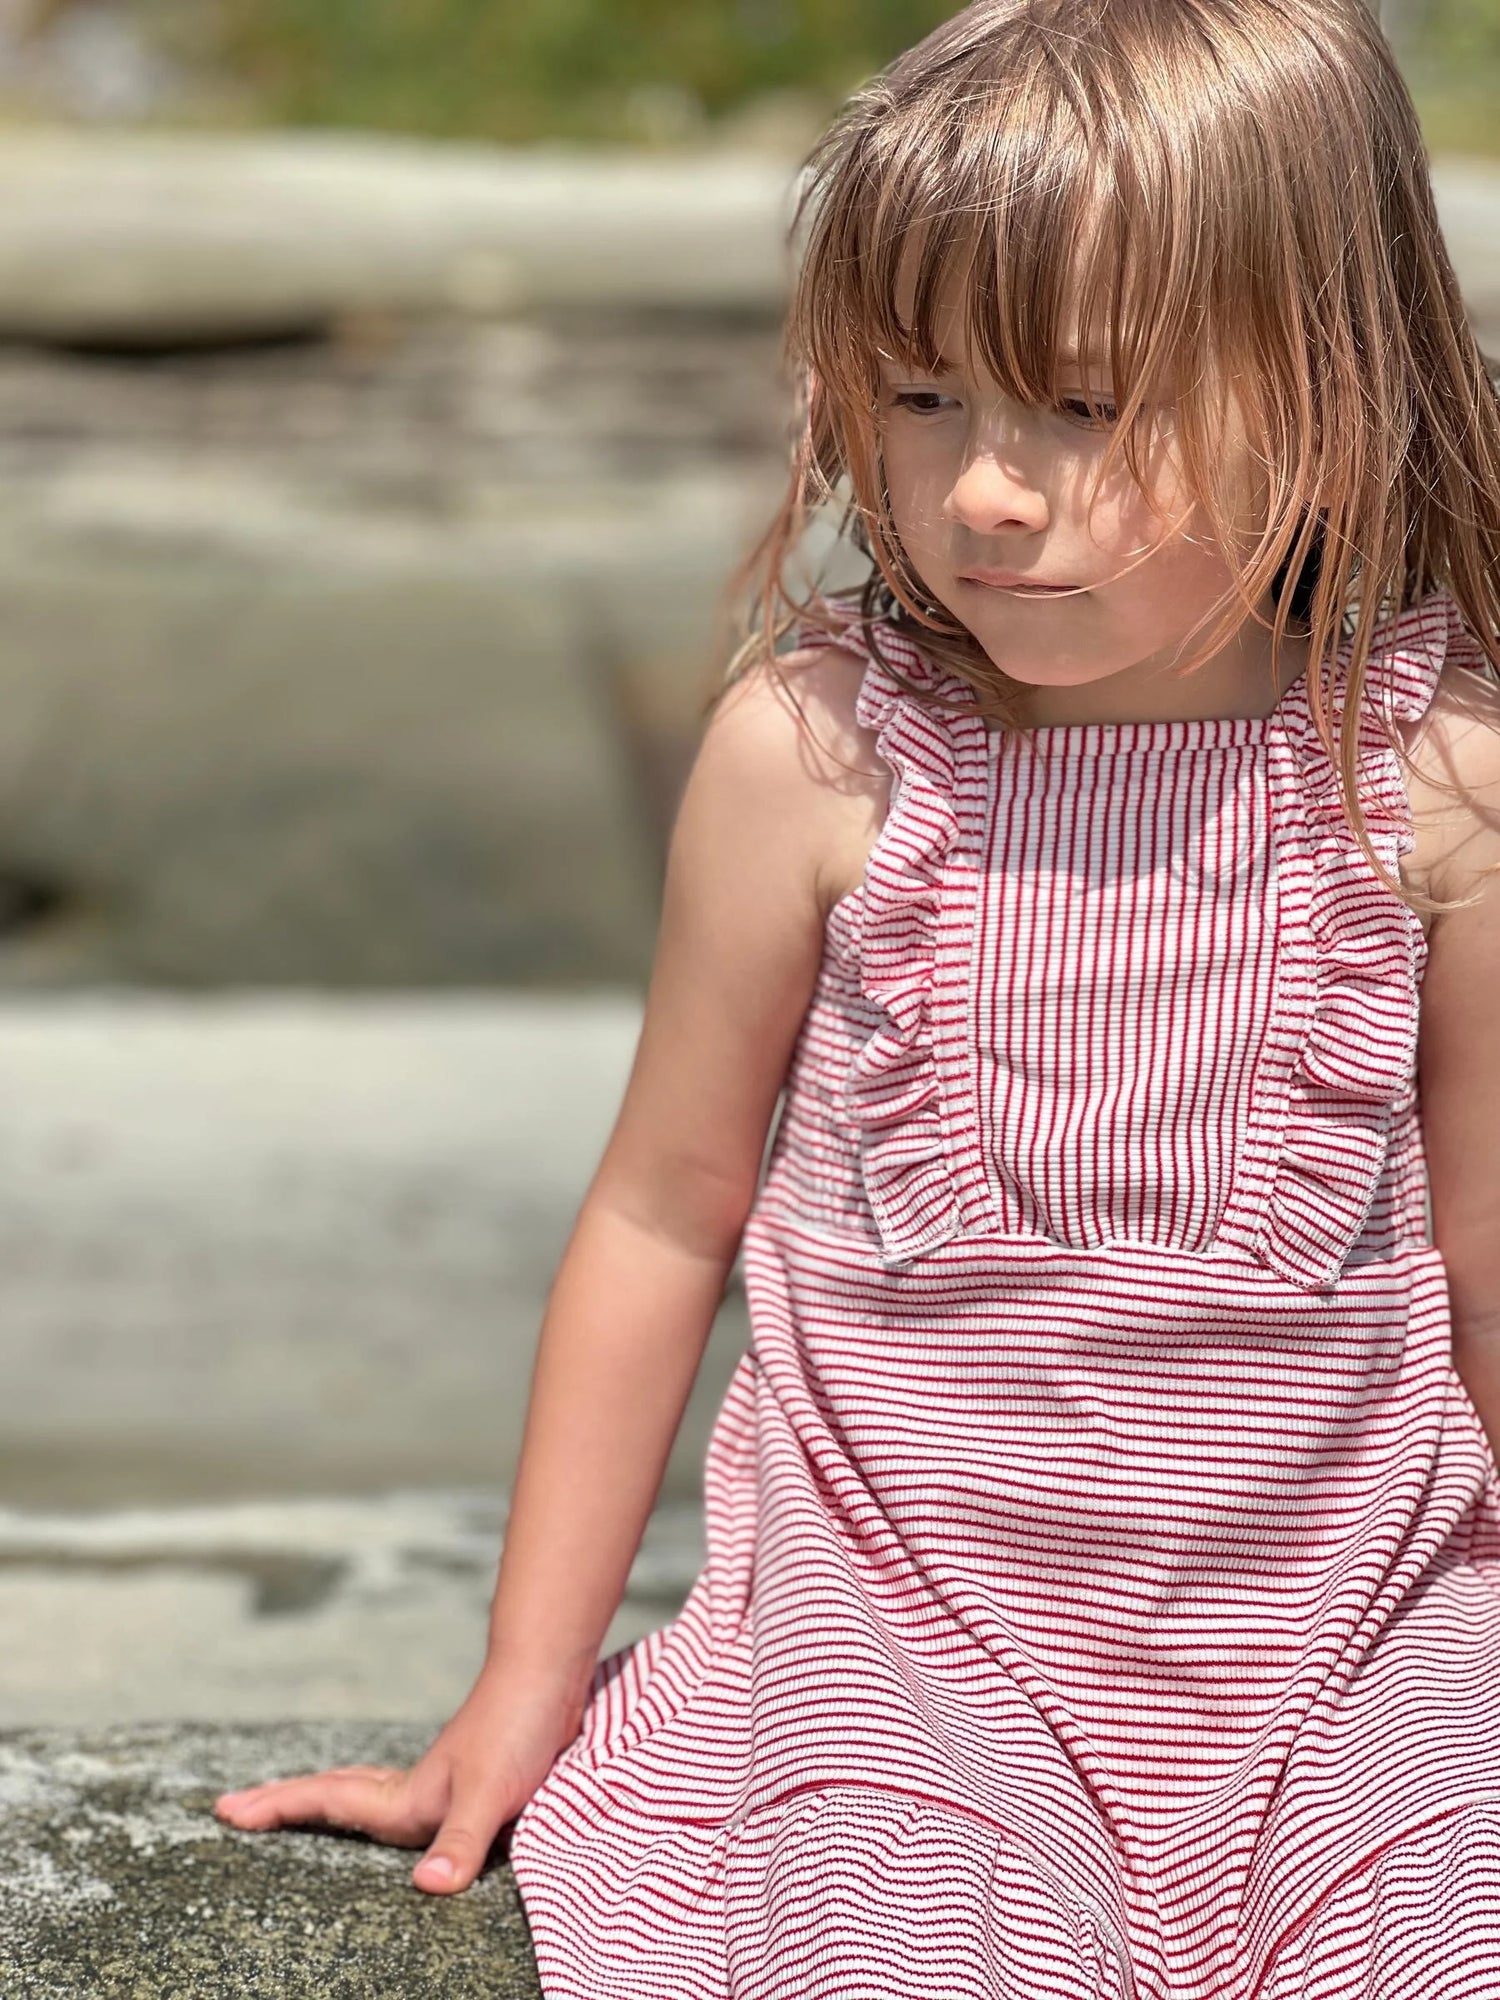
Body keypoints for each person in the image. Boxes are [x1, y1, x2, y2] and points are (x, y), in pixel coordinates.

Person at [214, 1, 1500, 1991]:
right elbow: (662, 1212)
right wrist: (525, 1681)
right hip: (908, 1641)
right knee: (901, 1926)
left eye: (1086, 405)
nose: (989, 488)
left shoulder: (1434, 787)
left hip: (1352, 1626)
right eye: (921, 399)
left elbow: (1491, 1258)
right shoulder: (817, 759)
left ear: (1337, 376)